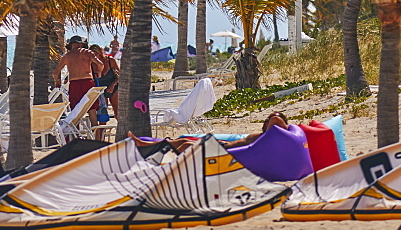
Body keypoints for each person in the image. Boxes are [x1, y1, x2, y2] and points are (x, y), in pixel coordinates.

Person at [128, 111, 291, 153]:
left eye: (271, 118)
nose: (271, 119)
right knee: (183, 142)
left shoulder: (274, 133)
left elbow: (278, 122)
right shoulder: (267, 134)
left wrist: (276, 116)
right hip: (224, 146)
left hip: (227, 151)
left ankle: (157, 157)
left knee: (185, 145)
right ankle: (146, 144)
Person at [53, 36, 103, 111]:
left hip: (74, 83)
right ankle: (94, 122)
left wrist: (57, 81)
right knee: (91, 108)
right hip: (88, 82)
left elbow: (55, 73)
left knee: (75, 110)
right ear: (82, 44)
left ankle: (76, 123)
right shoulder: (88, 53)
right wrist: (99, 73)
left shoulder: (67, 56)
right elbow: (101, 64)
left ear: (71, 45)